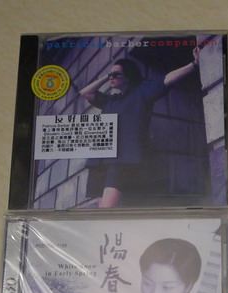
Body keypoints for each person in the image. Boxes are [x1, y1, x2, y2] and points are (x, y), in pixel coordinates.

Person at [79, 47, 200, 207]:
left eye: (116, 74)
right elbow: (85, 93)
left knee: (107, 208)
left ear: (128, 76)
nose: (112, 78)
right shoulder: (110, 101)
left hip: (122, 160)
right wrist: (107, 75)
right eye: (110, 75)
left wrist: (193, 64)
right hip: (101, 161)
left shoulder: (141, 92)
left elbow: (167, 79)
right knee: (100, 207)